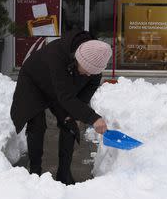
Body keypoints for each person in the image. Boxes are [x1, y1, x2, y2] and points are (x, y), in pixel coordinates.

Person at [10, 31, 111, 185]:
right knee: (37, 125)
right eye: (87, 70)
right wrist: (93, 118)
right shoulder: (57, 54)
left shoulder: (94, 64)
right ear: (78, 57)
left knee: (70, 123)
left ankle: (64, 174)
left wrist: (77, 114)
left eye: (93, 73)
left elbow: (84, 94)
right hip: (35, 82)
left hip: (61, 87)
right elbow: (65, 97)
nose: (89, 74)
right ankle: (35, 172)